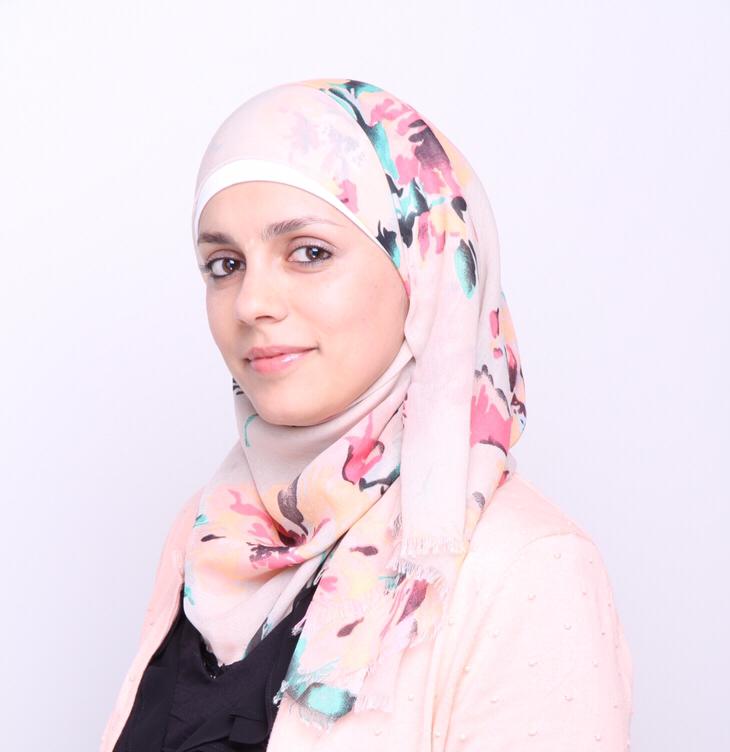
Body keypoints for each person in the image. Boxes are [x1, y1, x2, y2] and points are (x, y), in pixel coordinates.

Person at [100, 78, 633, 752]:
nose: (251, 303)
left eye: (309, 252)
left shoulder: (527, 567)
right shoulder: (209, 534)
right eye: (224, 264)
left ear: (422, 270)